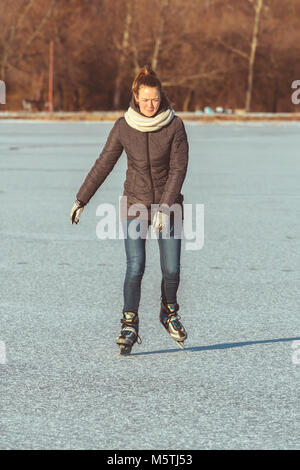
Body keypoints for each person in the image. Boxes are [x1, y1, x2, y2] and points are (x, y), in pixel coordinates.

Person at [70, 65, 189, 355]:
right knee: (135, 267)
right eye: (145, 99)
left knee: (171, 269)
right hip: (135, 203)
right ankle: (129, 323)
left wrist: (165, 206)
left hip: (168, 204)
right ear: (135, 96)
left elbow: (178, 169)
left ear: (162, 97)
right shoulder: (124, 126)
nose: (151, 105)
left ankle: (169, 311)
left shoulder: (175, 126)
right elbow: (104, 163)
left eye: (156, 99)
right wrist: (81, 199)